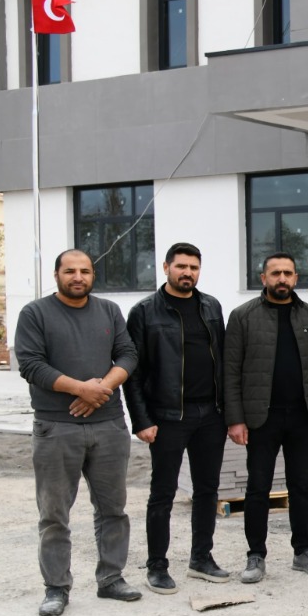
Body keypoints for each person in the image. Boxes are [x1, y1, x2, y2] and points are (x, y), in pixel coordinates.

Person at [16, 249, 140, 616]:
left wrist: (101, 388)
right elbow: (31, 364)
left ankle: (111, 578)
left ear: (92, 275)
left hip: (109, 425)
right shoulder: (35, 313)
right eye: (70, 271)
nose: (78, 277)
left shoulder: (109, 311)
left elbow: (128, 355)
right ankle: (56, 588)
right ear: (56, 274)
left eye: (85, 271)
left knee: (113, 509)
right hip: (56, 426)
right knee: (54, 513)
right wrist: (80, 389)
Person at [124, 242, 229, 595]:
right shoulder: (144, 312)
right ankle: (157, 565)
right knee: (163, 493)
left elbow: (223, 362)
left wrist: (228, 412)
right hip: (168, 416)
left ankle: (201, 558)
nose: (187, 273)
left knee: (207, 490)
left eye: (193, 267)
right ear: (166, 267)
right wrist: (141, 420)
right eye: (181, 266)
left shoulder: (211, 306)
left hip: (210, 415)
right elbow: (133, 372)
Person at [224, 252, 308, 583]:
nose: (282, 278)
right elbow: (230, 371)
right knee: (258, 487)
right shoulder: (243, 316)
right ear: (264, 278)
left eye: (288, 273)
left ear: (296, 278)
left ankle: (303, 551)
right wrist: (235, 418)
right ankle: (255, 555)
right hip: (261, 417)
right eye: (275, 273)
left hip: (302, 415)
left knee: (301, 486)